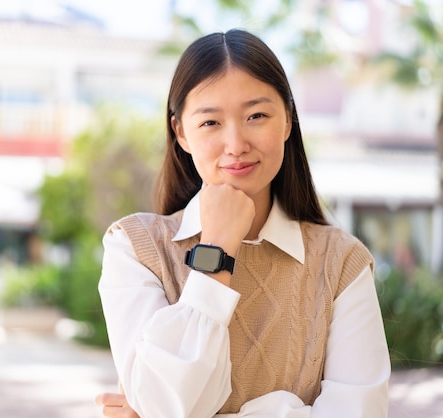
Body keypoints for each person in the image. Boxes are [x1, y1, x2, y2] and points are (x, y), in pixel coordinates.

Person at [95, 29, 390, 418]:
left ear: (287, 121)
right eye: (210, 123)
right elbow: (167, 403)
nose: (235, 144)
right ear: (180, 132)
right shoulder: (135, 249)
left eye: (256, 116)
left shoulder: (340, 264)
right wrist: (216, 252)